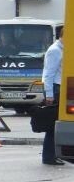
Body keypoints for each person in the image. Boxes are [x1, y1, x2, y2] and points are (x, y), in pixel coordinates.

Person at [41, 25, 65, 165]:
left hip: (58, 88)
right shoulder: (55, 50)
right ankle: (48, 156)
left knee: (55, 125)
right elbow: (48, 74)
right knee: (52, 125)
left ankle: (53, 154)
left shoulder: (62, 49)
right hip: (55, 89)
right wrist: (49, 95)